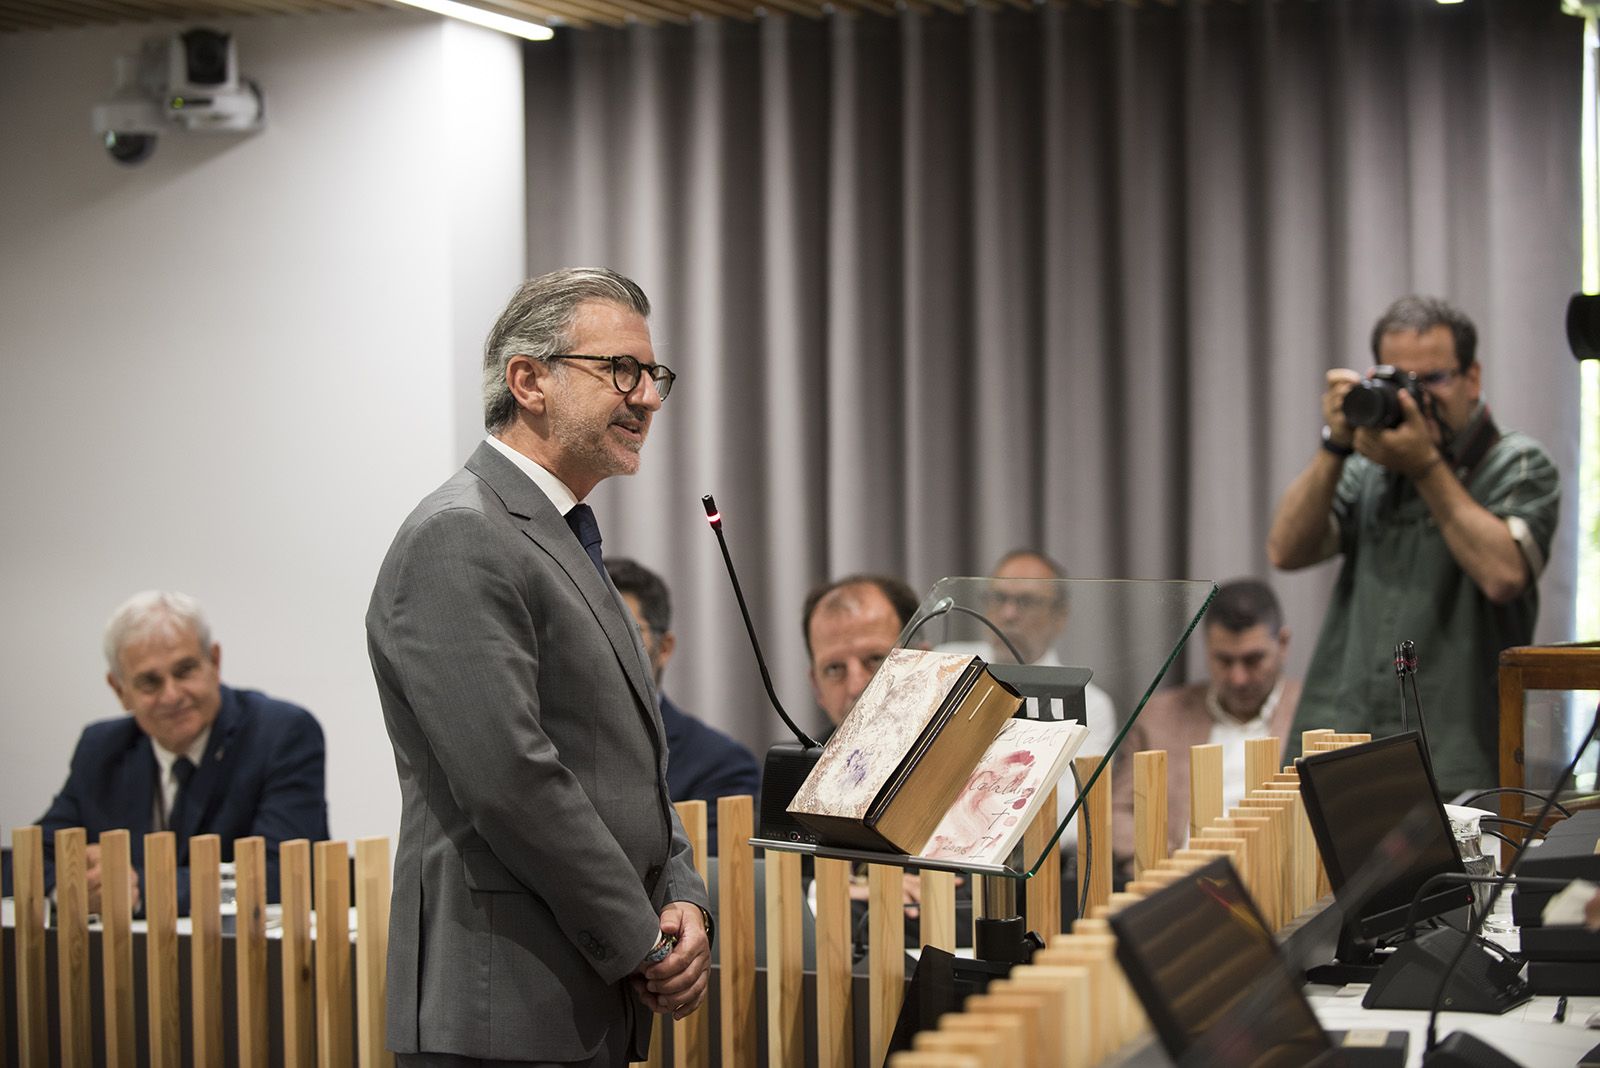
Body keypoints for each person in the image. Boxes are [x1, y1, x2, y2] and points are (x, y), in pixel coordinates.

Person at [367, 268, 711, 1067]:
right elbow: (513, 779)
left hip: (577, 995)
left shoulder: (561, 536)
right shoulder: (460, 535)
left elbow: (630, 765)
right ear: (529, 381)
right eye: (620, 370)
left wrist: (684, 898)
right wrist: (641, 940)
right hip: (503, 1006)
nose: (648, 398)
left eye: (653, 375)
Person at [1267, 295, 1560, 797]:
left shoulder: (1518, 464)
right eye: (1398, 380)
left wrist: (1426, 466)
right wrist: (1335, 446)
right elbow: (1286, 550)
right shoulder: (1368, 466)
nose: (1415, 398)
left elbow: (1504, 573)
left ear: (1473, 377)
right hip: (1347, 740)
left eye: (1433, 380)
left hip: (1457, 757)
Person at [37, 590, 327, 916]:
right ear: (120, 691)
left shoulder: (280, 734)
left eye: (185, 670)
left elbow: (280, 876)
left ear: (214, 662)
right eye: (150, 682)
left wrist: (137, 891)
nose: (172, 695)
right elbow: (25, 861)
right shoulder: (101, 749)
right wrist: (71, 890)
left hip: (251, 958)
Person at [1110, 579, 1301, 862]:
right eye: (1224, 660)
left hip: (1285, 885)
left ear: (1282, 644)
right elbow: (1116, 815)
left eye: (1253, 660)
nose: (1238, 678)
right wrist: (1171, 864)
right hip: (1180, 884)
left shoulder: (1313, 712)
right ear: (1206, 647)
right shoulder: (1159, 716)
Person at [607, 557, 761, 855]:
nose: (605, 646)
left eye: (625, 631)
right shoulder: (541, 742)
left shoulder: (720, 765)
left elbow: (714, 886)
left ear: (664, 648)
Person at [801, 574, 920, 733]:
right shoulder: (805, 758)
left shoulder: (961, 748)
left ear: (923, 661)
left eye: (876, 659)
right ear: (817, 687)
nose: (856, 688)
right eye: (834, 669)